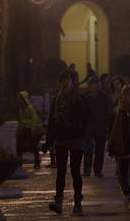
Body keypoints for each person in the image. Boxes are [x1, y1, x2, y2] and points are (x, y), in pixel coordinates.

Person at [46, 70, 90, 215]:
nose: (64, 83)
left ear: (72, 80)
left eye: (67, 80)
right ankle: (59, 200)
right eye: (62, 80)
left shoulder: (79, 98)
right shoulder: (56, 100)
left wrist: (82, 132)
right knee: (61, 171)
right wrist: (48, 141)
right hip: (61, 138)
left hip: (76, 138)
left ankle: (77, 202)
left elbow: (86, 118)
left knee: (75, 170)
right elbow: (51, 121)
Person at [82, 78, 111, 177]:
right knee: (88, 149)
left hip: (100, 125)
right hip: (89, 126)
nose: (93, 88)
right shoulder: (85, 97)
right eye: (92, 86)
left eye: (95, 86)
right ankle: (87, 169)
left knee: (99, 149)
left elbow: (107, 111)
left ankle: (97, 170)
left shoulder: (103, 97)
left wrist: (106, 124)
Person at [16, 90, 44, 170]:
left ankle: (37, 162)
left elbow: (34, 119)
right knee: (19, 146)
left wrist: (33, 128)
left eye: (20, 98)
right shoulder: (21, 108)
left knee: (33, 146)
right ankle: (19, 163)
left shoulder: (30, 108)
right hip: (24, 128)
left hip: (30, 129)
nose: (18, 100)